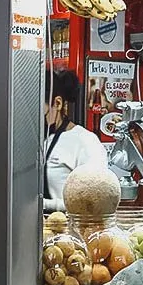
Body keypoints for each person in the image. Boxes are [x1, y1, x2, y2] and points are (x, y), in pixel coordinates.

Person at [44, 69, 107, 210]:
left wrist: (42, 205)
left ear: (58, 103)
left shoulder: (85, 141)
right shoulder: (38, 140)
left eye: (38, 109)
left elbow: (93, 199)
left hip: (68, 228)